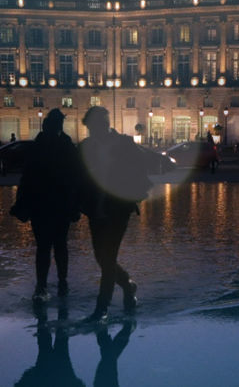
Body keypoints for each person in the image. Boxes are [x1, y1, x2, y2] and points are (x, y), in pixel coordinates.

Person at [77, 106, 156, 320]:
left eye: (99, 125)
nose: (95, 130)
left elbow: (141, 168)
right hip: (96, 208)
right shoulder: (86, 147)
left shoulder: (124, 144)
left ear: (106, 124)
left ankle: (101, 309)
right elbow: (77, 176)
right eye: (92, 127)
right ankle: (128, 285)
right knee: (101, 257)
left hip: (118, 207)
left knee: (108, 257)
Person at [8, 109, 82, 300]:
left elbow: (27, 177)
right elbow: (76, 177)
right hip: (60, 203)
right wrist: (76, 204)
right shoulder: (67, 146)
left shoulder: (38, 146)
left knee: (43, 247)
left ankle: (42, 285)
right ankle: (62, 281)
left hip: (41, 203)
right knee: (60, 245)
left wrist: (22, 203)